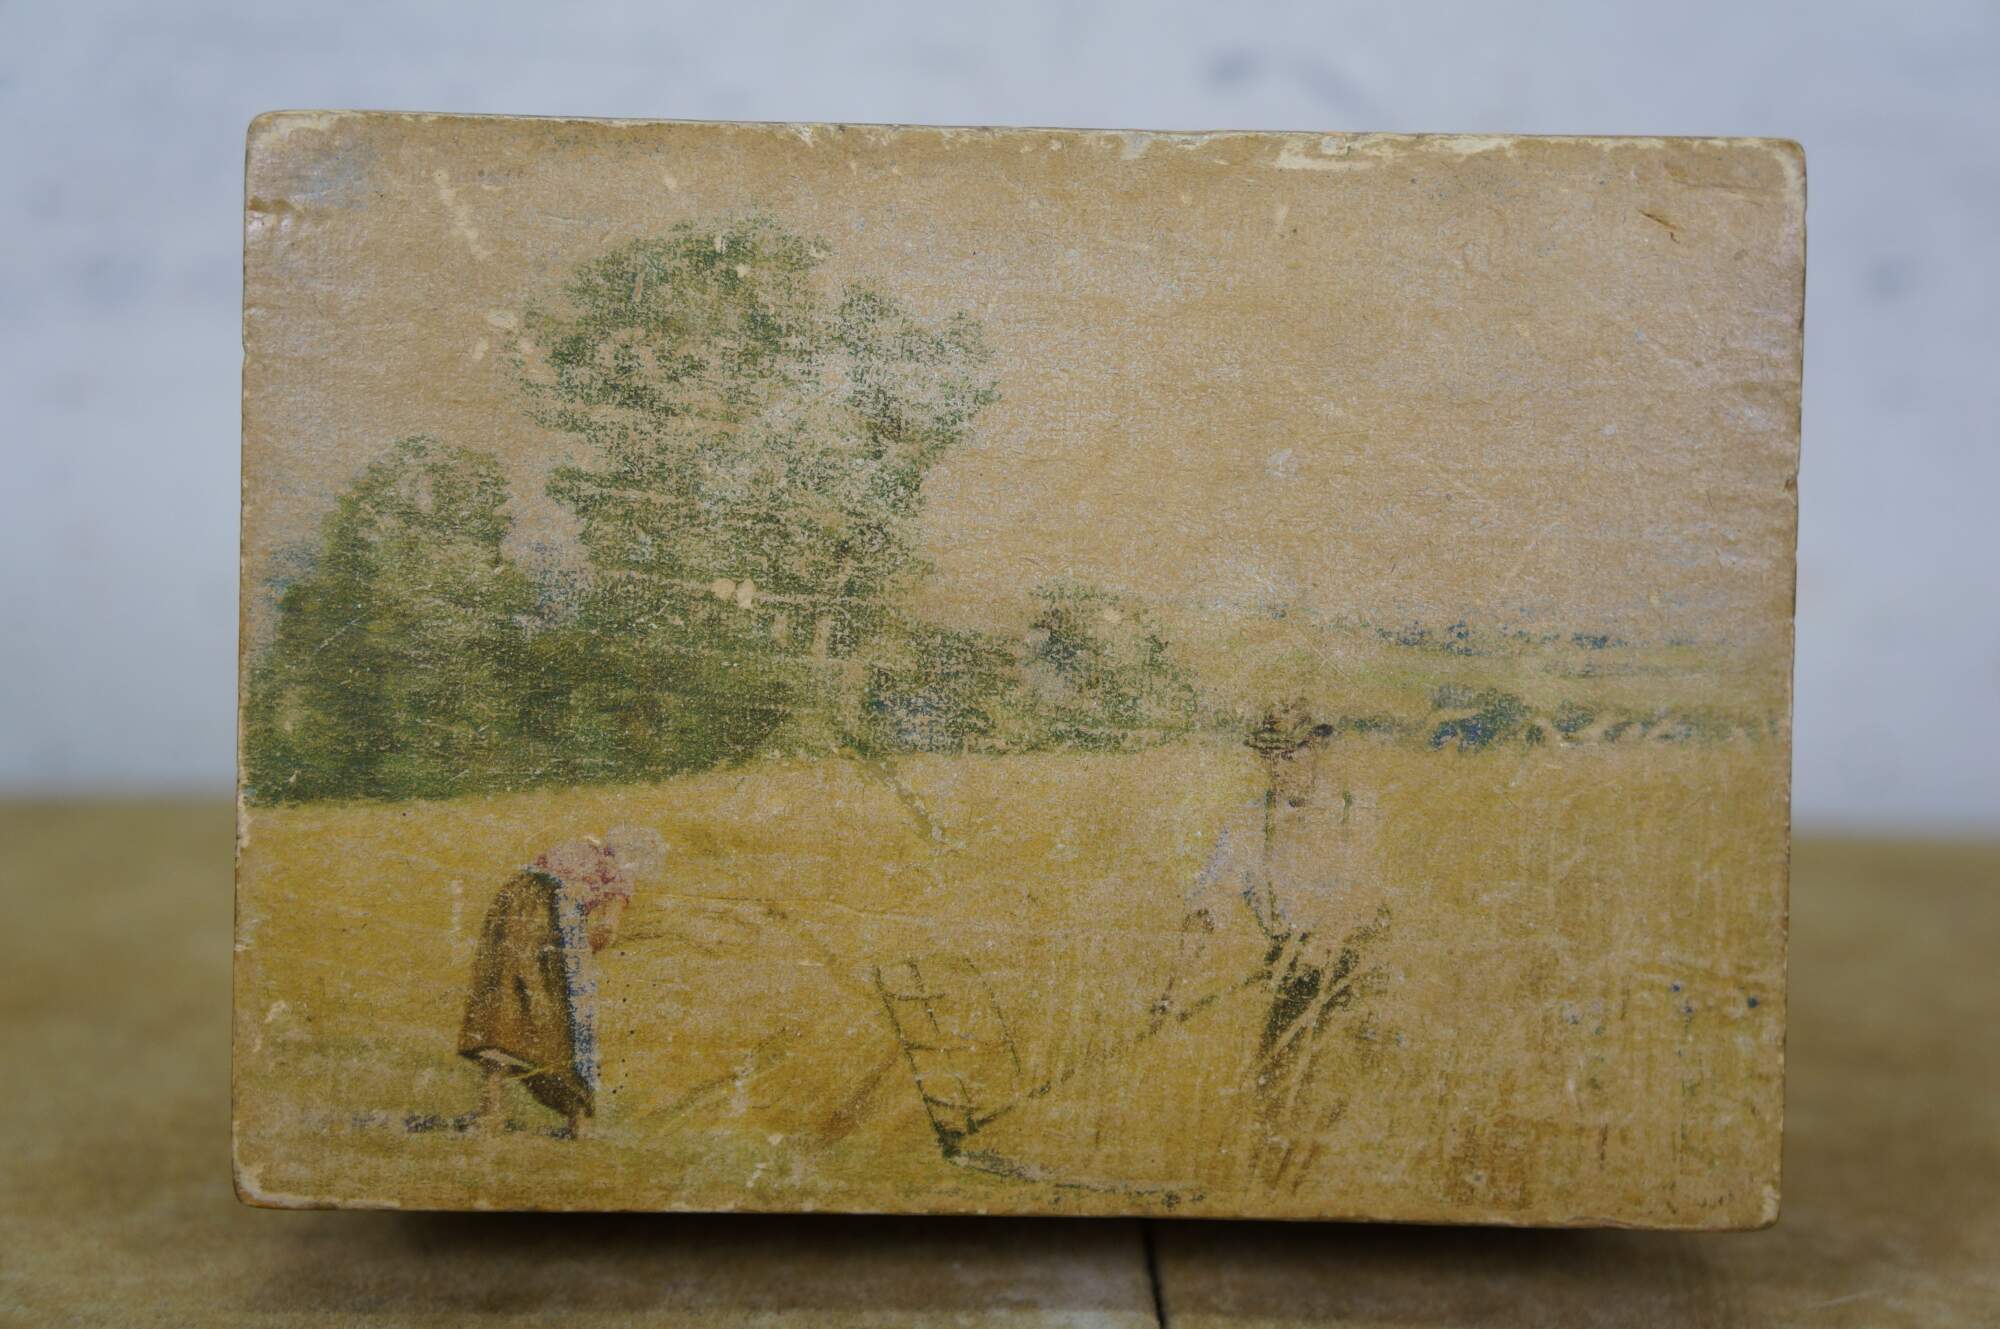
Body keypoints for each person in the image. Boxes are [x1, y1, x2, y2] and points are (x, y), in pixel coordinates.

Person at [458, 825, 667, 1138]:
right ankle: (576, 1120)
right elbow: (606, 930)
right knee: (570, 1018)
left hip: (510, 908)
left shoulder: (580, 849)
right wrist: (580, 958)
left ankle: (492, 1111)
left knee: (503, 1011)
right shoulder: (621, 876)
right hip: (553, 917)